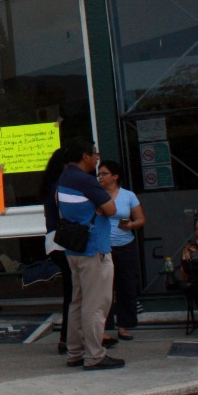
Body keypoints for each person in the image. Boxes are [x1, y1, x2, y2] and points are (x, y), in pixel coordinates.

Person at [57, 138, 122, 370]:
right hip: (95, 249)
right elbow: (112, 209)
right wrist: (99, 203)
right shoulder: (87, 181)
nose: (97, 158)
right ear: (85, 156)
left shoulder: (64, 178)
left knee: (77, 302)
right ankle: (95, 355)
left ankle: (74, 352)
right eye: (94, 154)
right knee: (95, 304)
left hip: (73, 249)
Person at [99, 160, 143, 341]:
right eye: (99, 174)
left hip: (125, 245)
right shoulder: (97, 194)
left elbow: (141, 219)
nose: (100, 177)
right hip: (103, 246)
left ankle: (124, 326)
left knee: (126, 286)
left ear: (115, 176)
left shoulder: (128, 195)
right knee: (103, 288)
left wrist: (131, 224)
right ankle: (103, 326)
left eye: (104, 174)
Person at [40, 149, 74, 355]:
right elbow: (67, 213)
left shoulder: (49, 185)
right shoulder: (61, 186)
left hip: (52, 241)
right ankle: (68, 338)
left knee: (71, 291)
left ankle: (67, 337)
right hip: (64, 242)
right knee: (74, 292)